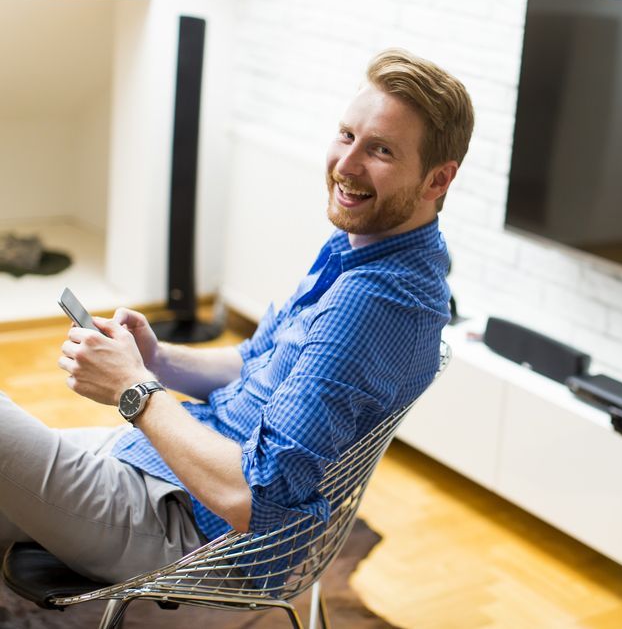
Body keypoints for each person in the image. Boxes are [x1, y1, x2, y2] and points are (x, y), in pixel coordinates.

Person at [0, 48, 475, 583]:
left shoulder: (372, 301)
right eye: (346, 136)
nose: (345, 166)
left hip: (189, 533)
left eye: (381, 150)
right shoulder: (364, 247)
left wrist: (133, 388)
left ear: (438, 180)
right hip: (168, 470)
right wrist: (154, 358)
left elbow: (255, 499)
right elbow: (254, 361)